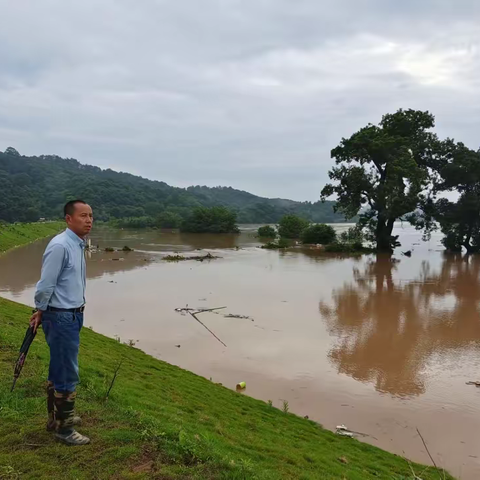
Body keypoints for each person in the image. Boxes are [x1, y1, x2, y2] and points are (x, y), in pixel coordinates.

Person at [30, 200, 93, 445]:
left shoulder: (77, 245)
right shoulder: (60, 246)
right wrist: (40, 310)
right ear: (68, 219)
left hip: (72, 314)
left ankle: (57, 419)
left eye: (91, 216)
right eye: (83, 216)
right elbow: (46, 285)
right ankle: (64, 430)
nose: (88, 220)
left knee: (60, 367)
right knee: (67, 370)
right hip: (62, 316)